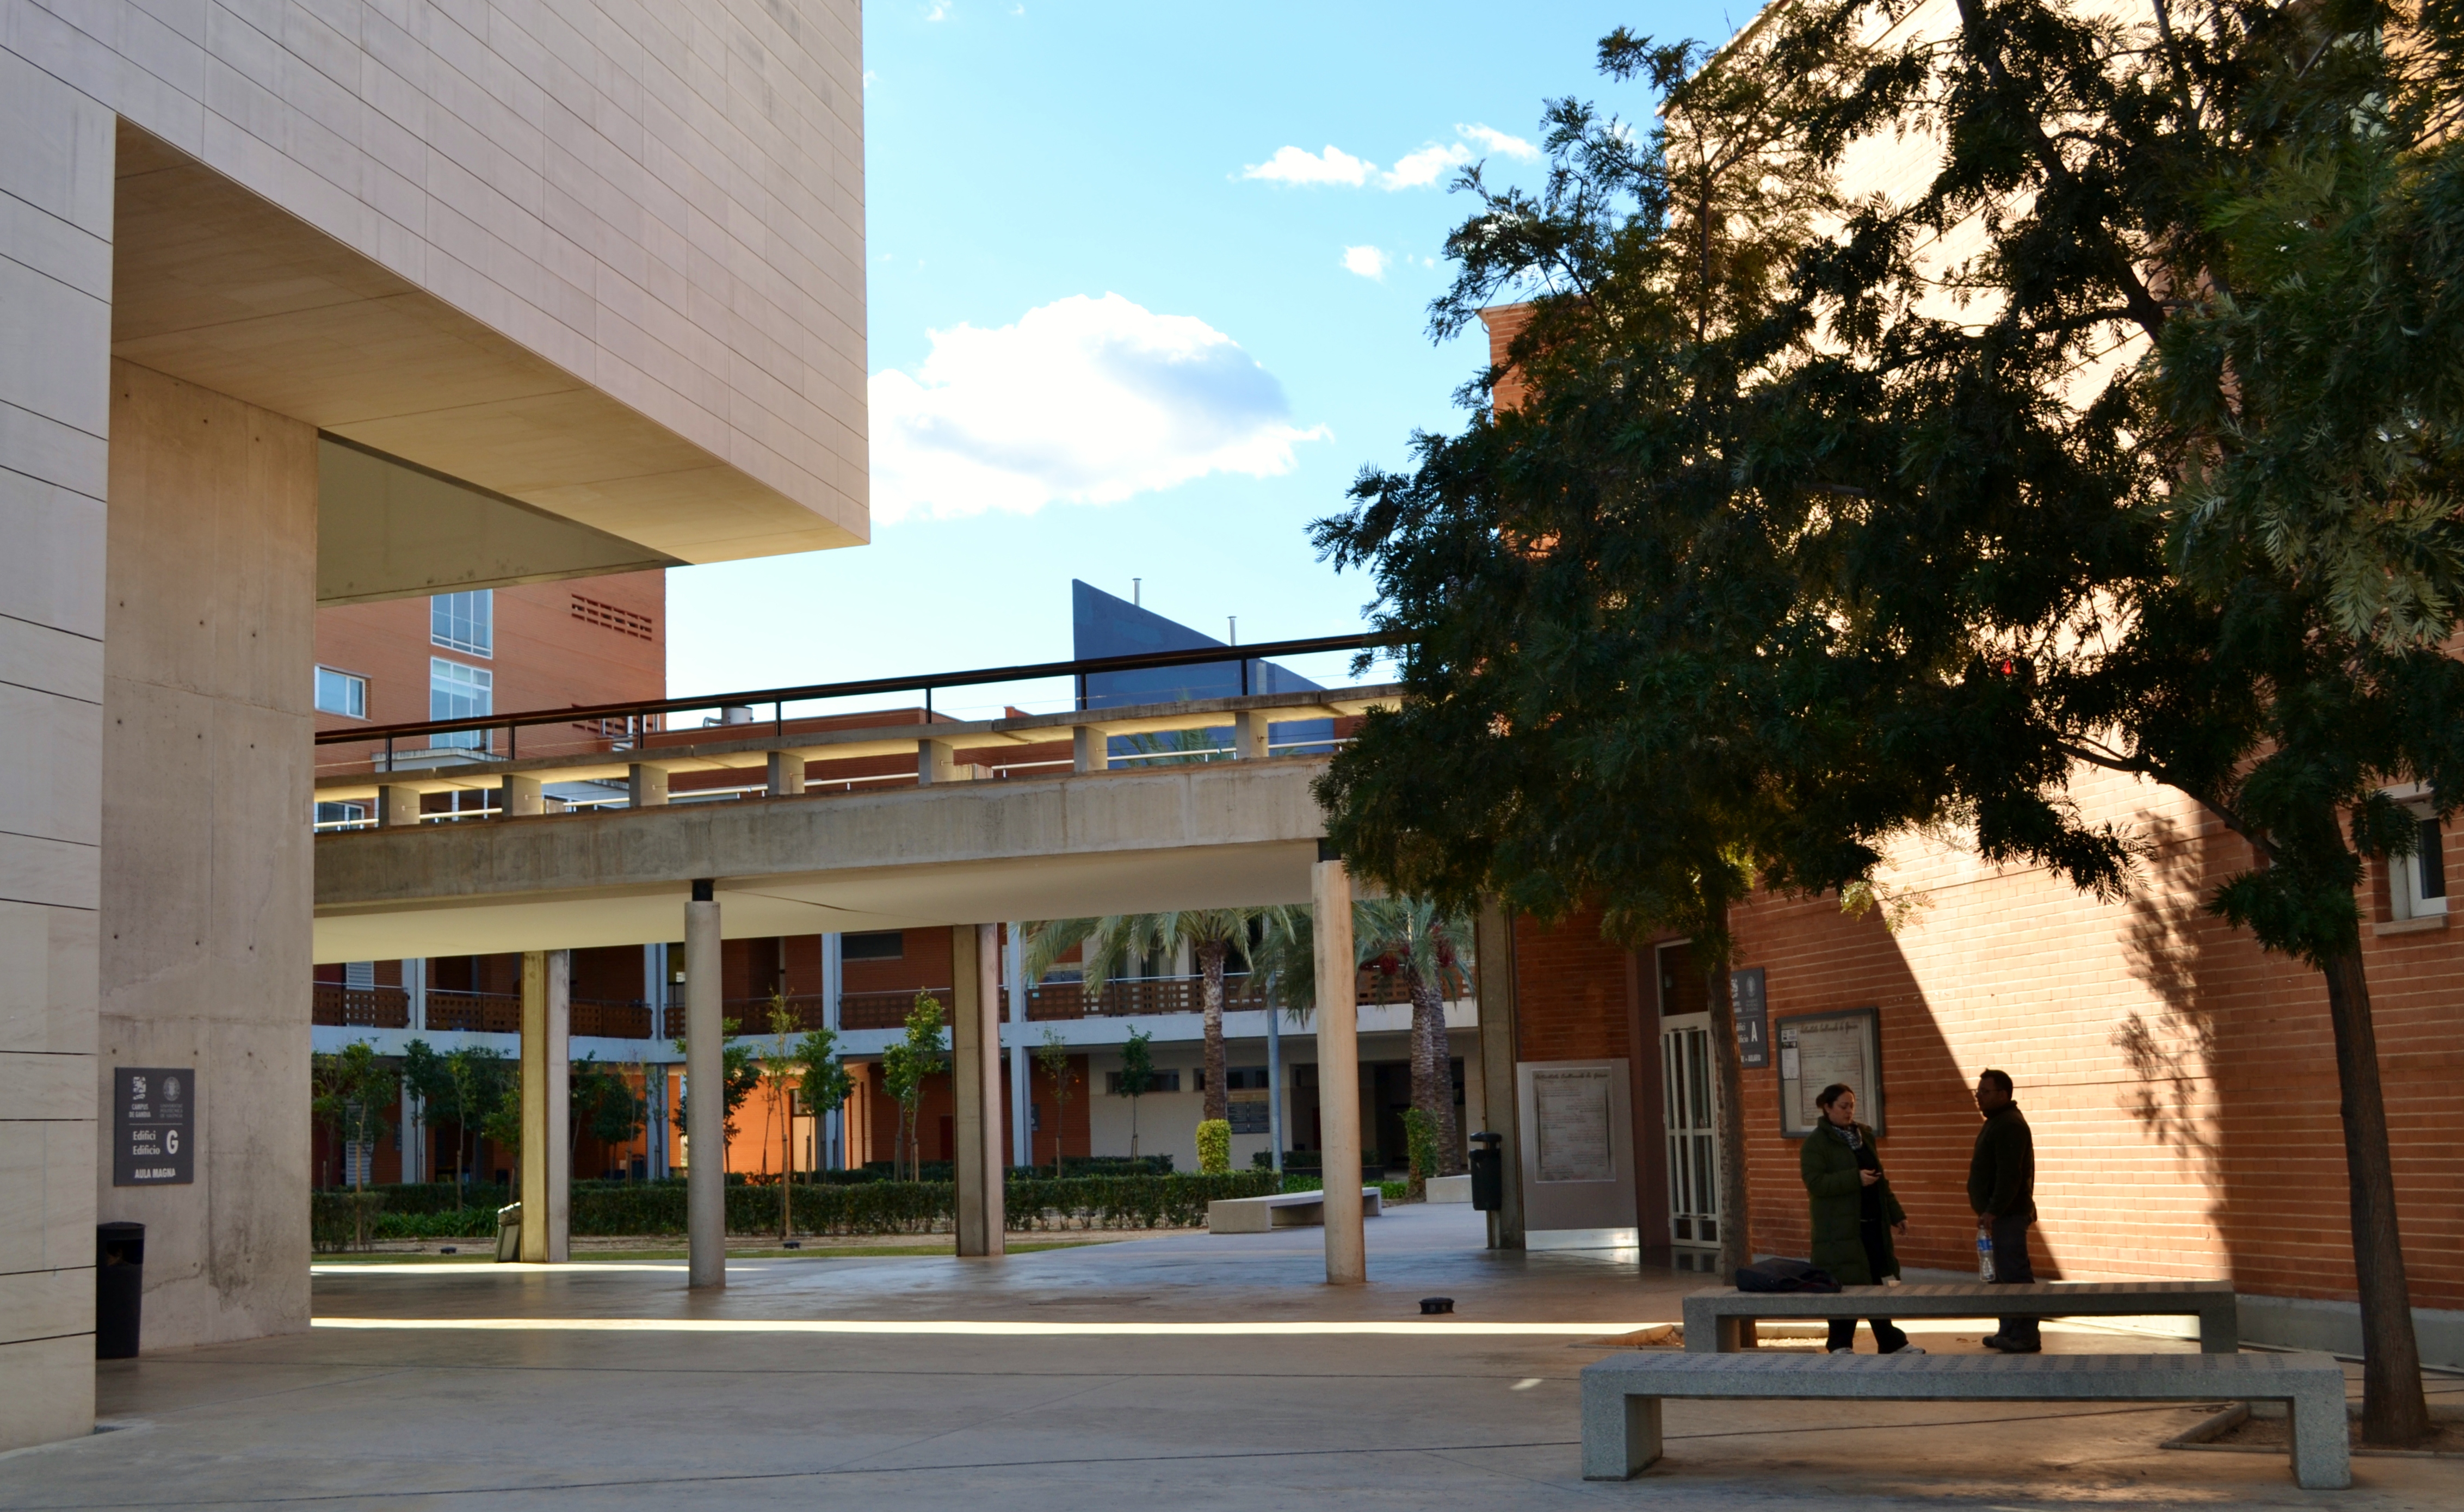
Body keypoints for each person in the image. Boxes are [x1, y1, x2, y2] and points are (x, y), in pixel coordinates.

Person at [1800, 1083, 1922, 1355]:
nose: (1849, 1111)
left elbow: (1880, 1180)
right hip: (1840, 1230)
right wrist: (1854, 1179)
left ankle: (1890, 1342)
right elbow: (1815, 1183)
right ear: (1827, 1108)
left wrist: (1896, 1213)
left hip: (1872, 1226)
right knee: (1847, 1285)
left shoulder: (1863, 1136)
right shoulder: (1816, 1144)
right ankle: (1840, 1343)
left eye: (1852, 1106)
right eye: (1843, 1106)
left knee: (1876, 1284)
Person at [1968, 1067, 2041, 1352]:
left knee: (2015, 1275)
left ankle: (2025, 1335)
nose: (1979, 1097)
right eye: (1977, 1092)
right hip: (1999, 1215)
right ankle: (2008, 1330)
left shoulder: (2010, 1124)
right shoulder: (1997, 1121)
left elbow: (2010, 1175)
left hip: (2008, 1214)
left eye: (1984, 1092)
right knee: (2000, 1277)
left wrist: (1993, 1210)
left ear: (2003, 1094)